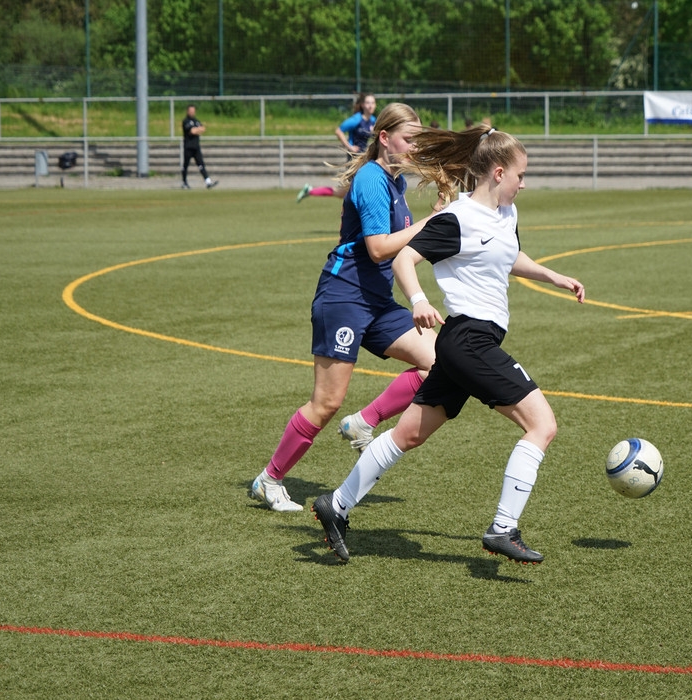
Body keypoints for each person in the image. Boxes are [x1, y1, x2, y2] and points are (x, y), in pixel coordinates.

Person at [312, 125, 586, 564]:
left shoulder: (506, 214)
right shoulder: (457, 218)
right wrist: (419, 300)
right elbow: (404, 258)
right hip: (469, 340)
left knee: (407, 435)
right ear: (498, 172)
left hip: (469, 344)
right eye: (520, 175)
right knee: (542, 425)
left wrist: (552, 276)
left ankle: (336, 504)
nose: (523, 183)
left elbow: (507, 255)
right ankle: (503, 528)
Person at [249, 103, 443, 513]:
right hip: (344, 297)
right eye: (409, 139)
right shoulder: (371, 179)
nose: (415, 148)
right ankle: (269, 480)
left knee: (438, 362)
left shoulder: (395, 182)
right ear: (384, 138)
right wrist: (429, 224)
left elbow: (401, 249)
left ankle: (363, 422)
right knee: (326, 403)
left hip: (376, 301)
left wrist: (437, 219)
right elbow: (378, 250)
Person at [298, 93, 378, 202]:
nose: (370, 105)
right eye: (368, 103)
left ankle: (310, 190)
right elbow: (339, 131)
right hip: (354, 159)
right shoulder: (356, 119)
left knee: (344, 192)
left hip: (363, 158)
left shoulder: (373, 120)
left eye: (373, 103)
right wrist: (350, 147)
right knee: (353, 190)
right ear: (362, 105)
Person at [181, 104, 218, 190]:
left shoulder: (196, 121)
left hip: (196, 146)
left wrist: (197, 130)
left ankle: (208, 182)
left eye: (193, 111)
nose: (192, 112)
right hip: (188, 147)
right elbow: (192, 131)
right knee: (185, 165)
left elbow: (203, 129)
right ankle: (184, 182)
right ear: (187, 111)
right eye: (190, 111)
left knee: (201, 164)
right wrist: (198, 130)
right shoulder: (186, 121)